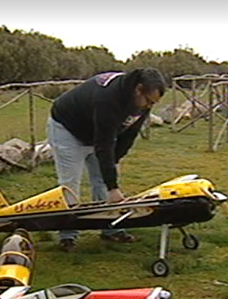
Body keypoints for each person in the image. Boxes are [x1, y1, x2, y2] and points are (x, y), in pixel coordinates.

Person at [46, 67, 166, 251]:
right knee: (70, 183)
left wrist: (116, 160)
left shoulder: (141, 104)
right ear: (138, 89)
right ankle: (68, 235)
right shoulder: (108, 99)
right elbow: (104, 143)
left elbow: (129, 134)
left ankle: (109, 228)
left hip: (94, 130)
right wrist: (113, 186)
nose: (149, 107)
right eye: (149, 101)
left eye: (153, 103)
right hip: (67, 128)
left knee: (101, 180)